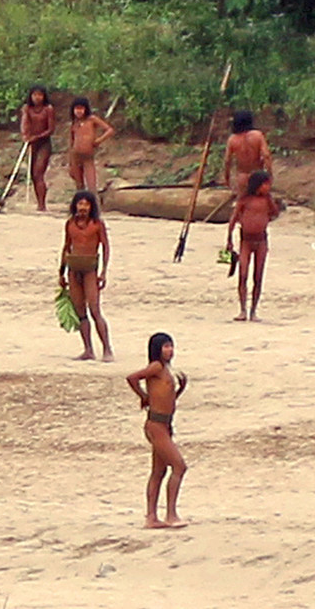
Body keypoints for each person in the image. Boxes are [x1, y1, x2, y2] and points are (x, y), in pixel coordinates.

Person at [126, 333, 188, 529]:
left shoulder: (165, 370)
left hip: (164, 424)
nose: (170, 350)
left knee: (158, 472)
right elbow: (132, 378)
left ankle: (152, 517)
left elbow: (165, 398)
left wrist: (179, 391)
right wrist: (143, 396)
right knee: (179, 467)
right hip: (157, 425)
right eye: (166, 347)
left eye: (171, 346)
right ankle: (171, 514)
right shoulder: (156, 367)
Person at [59, 191, 113, 362]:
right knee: (80, 311)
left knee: (95, 309)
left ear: (91, 207)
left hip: (90, 270)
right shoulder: (70, 224)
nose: (82, 208)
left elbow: (105, 247)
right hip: (73, 270)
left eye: (86, 204)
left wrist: (104, 272)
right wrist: (61, 272)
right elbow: (66, 247)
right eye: (80, 204)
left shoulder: (97, 225)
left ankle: (107, 349)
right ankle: (88, 349)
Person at [225, 170, 279, 322]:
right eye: (266, 184)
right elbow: (234, 218)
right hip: (246, 241)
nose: (268, 187)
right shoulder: (245, 200)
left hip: (261, 240)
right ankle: (242, 310)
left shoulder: (267, 200)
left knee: (258, 276)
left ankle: (253, 311)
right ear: (258, 185)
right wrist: (229, 239)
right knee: (243, 275)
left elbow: (274, 213)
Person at [20, 85, 55, 211]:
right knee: (33, 174)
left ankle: (42, 204)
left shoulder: (48, 109)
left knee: (38, 173)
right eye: (35, 95)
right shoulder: (27, 108)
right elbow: (24, 123)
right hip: (31, 143)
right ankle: (39, 202)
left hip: (44, 144)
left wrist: (37, 136)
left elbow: (51, 129)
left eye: (40, 95)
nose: (37, 98)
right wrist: (26, 135)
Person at [222, 110, 272, 199]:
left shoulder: (232, 139)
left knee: (243, 203)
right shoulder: (258, 135)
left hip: (242, 176)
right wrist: (269, 174)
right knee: (261, 202)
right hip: (257, 175)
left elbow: (227, 161)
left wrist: (227, 178)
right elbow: (266, 156)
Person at [68, 97, 114, 192]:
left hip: (88, 157)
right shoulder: (74, 123)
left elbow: (109, 130)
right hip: (75, 156)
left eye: (81, 108)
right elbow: (71, 141)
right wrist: (70, 162)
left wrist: (99, 140)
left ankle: (94, 204)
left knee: (91, 184)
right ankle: (81, 203)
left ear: (86, 109)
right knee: (79, 184)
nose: (78, 111)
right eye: (76, 109)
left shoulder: (92, 119)